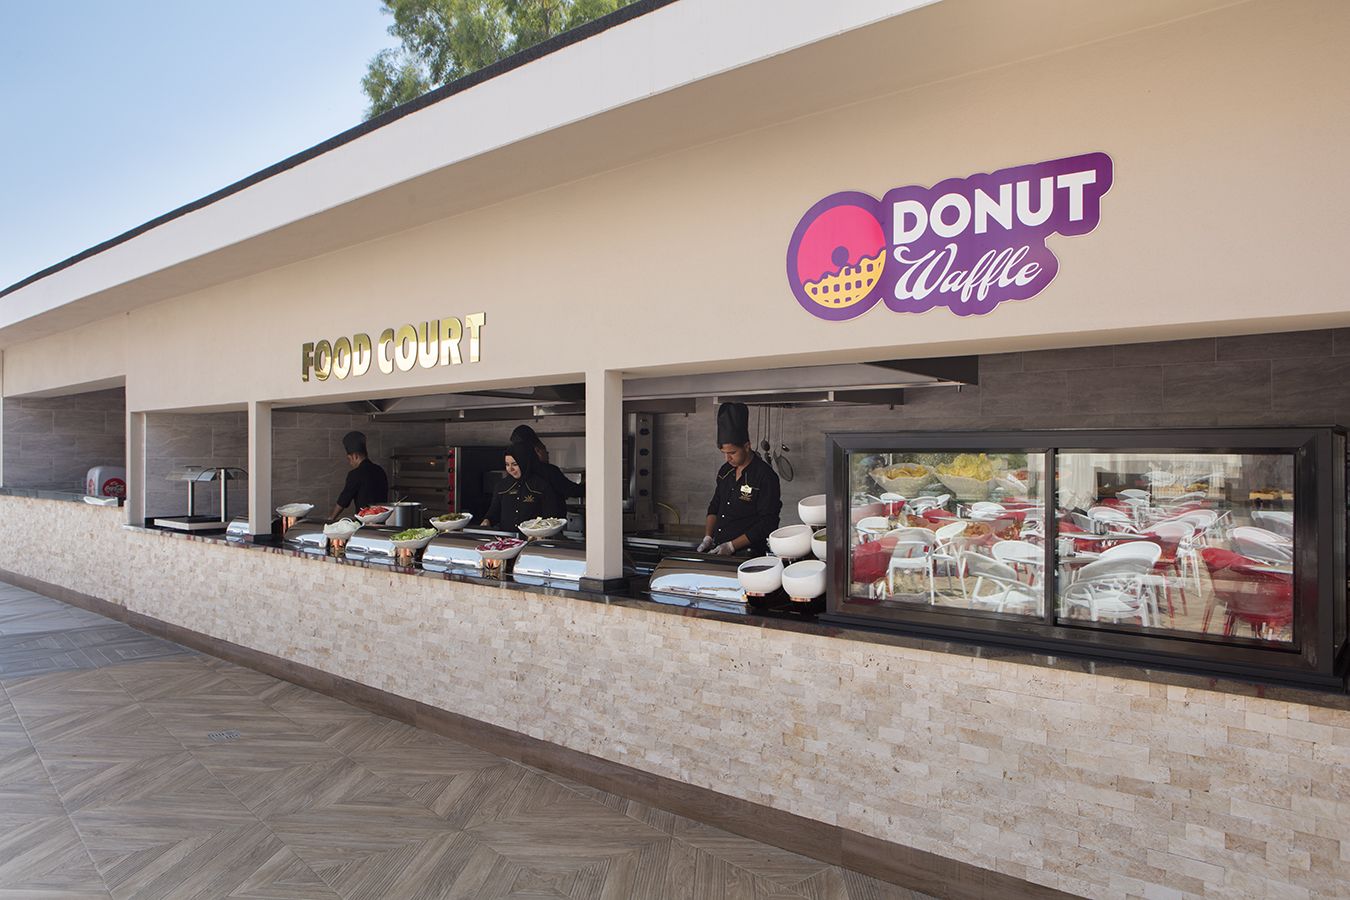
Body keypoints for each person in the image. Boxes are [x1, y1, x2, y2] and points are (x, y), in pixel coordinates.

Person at [698, 402, 781, 556]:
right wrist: (708, 537)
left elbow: (768, 523)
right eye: (724, 453)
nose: (727, 458)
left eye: (732, 452)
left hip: (749, 555)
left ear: (747, 446)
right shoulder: (725, 470)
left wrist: (731, 546)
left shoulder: (765, 476)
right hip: (719, 550)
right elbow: (715, 506)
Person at [480, 440, 565, 531]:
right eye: (507, 465)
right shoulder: (501, 486)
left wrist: (542, 533)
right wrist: (487, 520)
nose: (510, 469)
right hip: (506, 538)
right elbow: (494, 512)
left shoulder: (542, 486)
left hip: (533, 538)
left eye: (515, 464)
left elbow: (550, 517)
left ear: (524, 462)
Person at [510, 424, 585, 502]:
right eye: (544, 449)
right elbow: (572, 490)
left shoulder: (516, 474)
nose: (547, 453)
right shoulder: (549, 471)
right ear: (537, 451)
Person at [329, 431, 389, 520]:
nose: (350, 463)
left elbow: (344, 500)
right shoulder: (380, 470)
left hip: (364, 522)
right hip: (383, 520)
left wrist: (331, 519)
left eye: (349, 459)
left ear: (355, 456)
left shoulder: (355, 474)